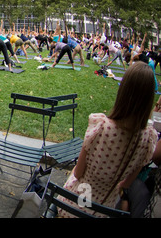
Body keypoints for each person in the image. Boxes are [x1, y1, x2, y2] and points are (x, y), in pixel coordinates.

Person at [58, 61, 159, 217]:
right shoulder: (148, 140)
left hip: (76, 206)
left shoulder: (101, 127)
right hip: (104, 212)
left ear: (123, 92)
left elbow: (78, 173)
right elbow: (125, 184)